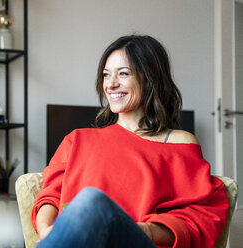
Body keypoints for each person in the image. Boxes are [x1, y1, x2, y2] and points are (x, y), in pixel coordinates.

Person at [31, 35, 229, 248]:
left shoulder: (179, 144)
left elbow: (198, 218)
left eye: (123, 74)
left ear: (150, 79)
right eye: (106, 75)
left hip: (138, 242)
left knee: (91, 201)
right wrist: (49, 233)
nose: (111, 84)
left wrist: (140, 229)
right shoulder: (77, 140)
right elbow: (50, 198)